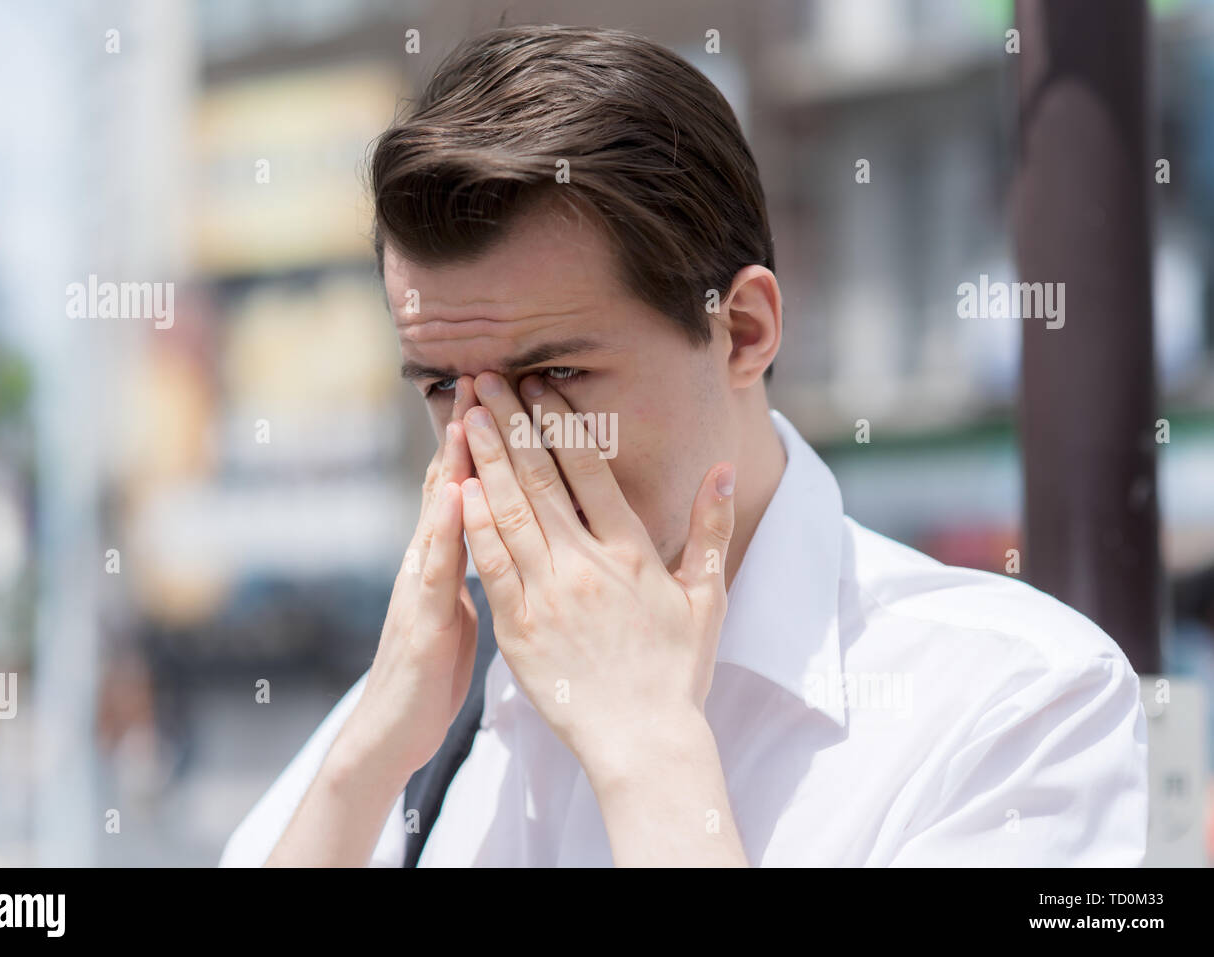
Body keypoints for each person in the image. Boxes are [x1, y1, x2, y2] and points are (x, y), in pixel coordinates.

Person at [220, 24, 1148, 867]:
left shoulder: (1017, 704)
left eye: (555, 378)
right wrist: (365, 762)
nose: (492, 448)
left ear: (742, 331)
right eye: (440, 387)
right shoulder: (420, 715)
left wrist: (649, 751)